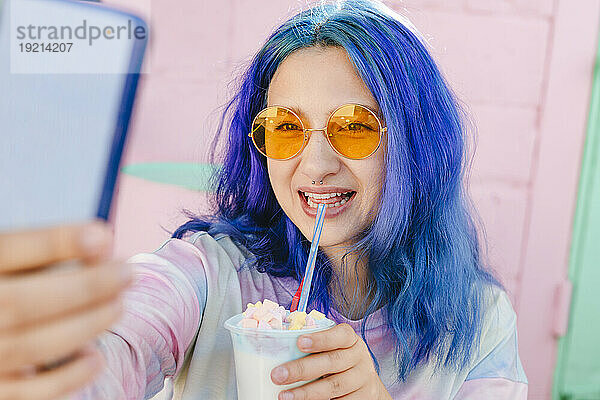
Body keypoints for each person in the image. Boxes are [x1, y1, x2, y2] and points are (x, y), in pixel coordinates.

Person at [0, 1, 528, 399]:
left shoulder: (481, 322)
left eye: (355, 127)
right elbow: (119, 345)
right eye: (285, 129)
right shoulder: (209, 271)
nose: (315, 165)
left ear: (416, 145)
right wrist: (42, 357)